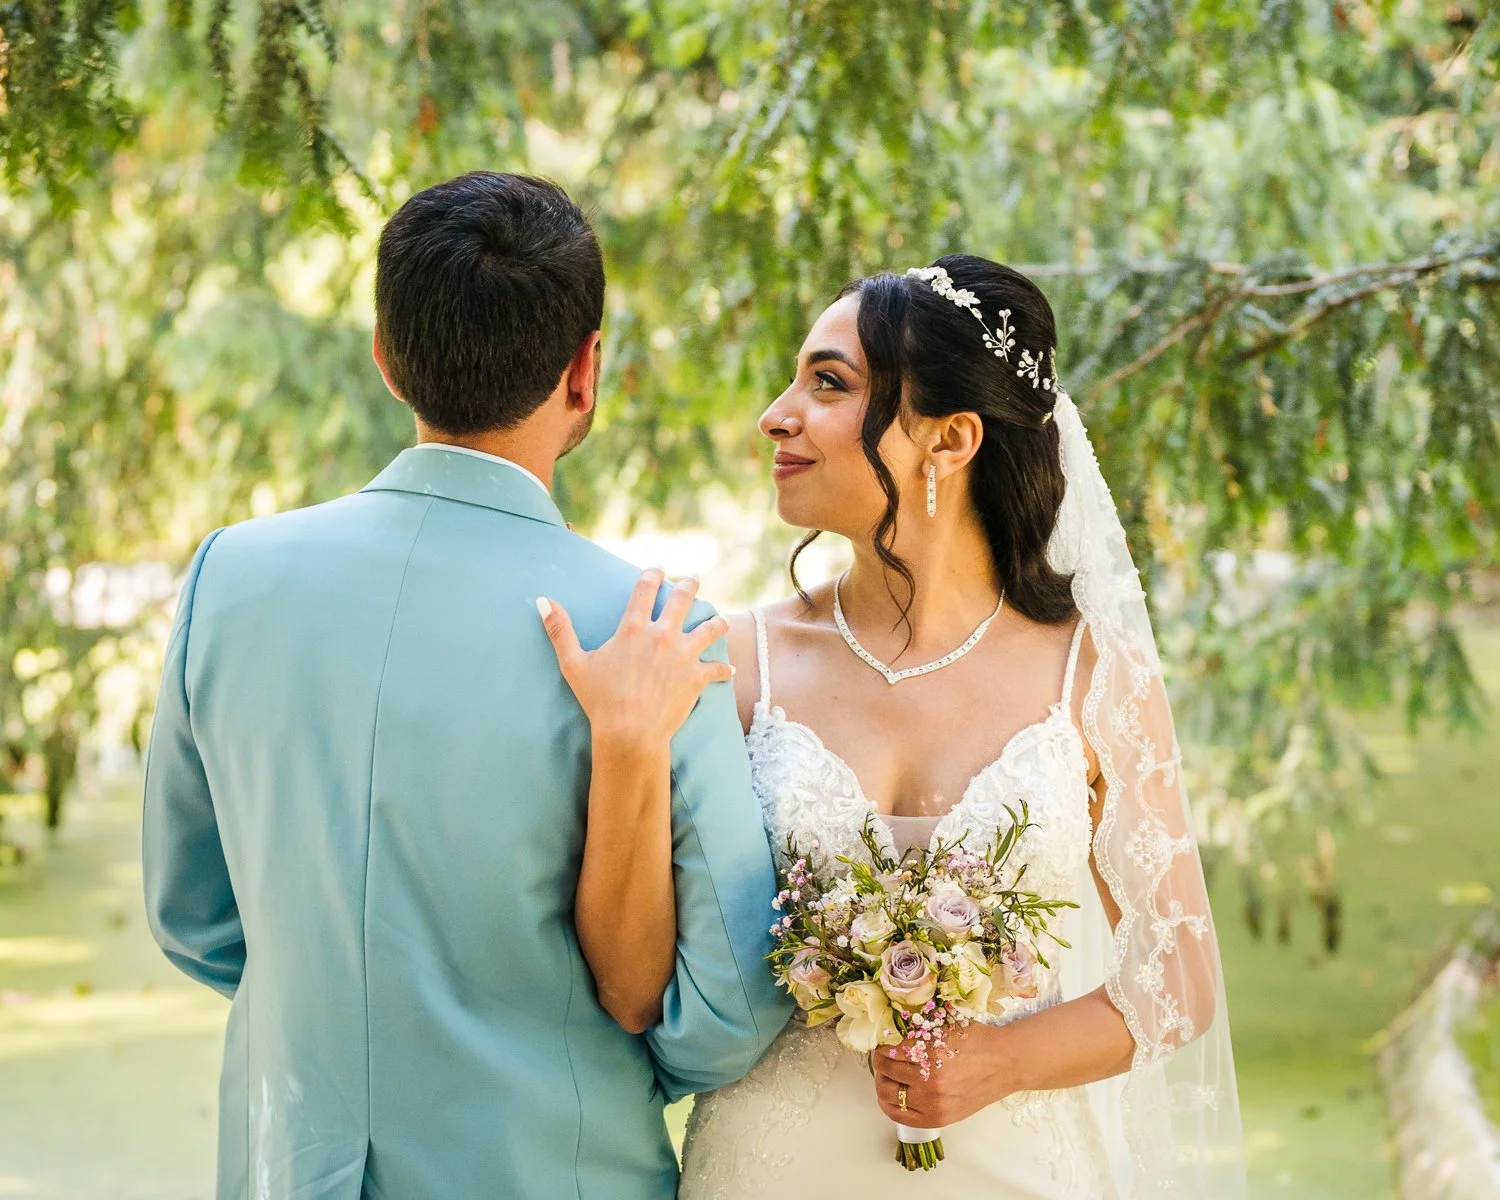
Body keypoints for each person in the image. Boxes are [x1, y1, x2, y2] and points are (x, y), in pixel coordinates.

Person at [141, 170, 790, 1200]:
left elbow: (194, 919)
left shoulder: (230, 577)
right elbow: (726, 1018)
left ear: (386, 360)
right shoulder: (654, 631)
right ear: (586, 373)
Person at [546, 256, 1246, 1197]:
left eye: (828, 382)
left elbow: (1179, 975)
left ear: (949, 441)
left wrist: (1001, 1061)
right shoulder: (735, 663)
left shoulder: (1090, 674)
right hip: (772, 1166)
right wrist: (627, 749)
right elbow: (636, 983)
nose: (777, 414)